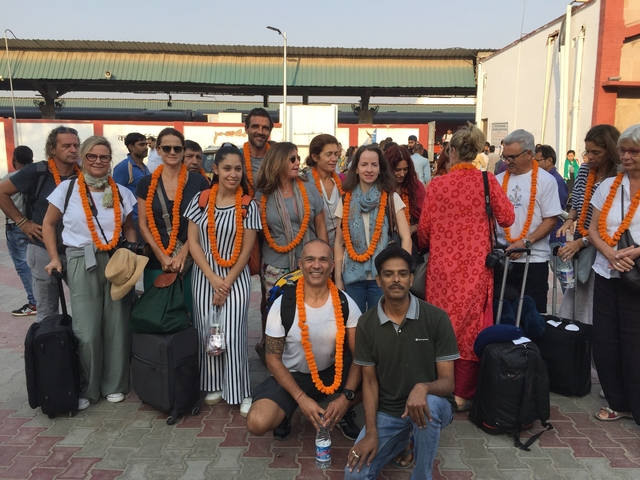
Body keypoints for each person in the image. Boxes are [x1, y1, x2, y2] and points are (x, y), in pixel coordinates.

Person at [418, 124, 514, 412]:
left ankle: (437, 386)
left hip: (441, 272)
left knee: (440, 325)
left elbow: (424, 231)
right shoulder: (487, 181)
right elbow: (507, 218)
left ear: (453, 151)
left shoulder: (437, 185)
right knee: (471, 328)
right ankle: (461, 394)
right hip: (476, 269)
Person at [42, 135, 140, 410]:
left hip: (116, 259)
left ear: (111, 161)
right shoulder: (67, 190)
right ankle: (88, 386)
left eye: (104, 157)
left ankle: (115, 384)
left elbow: (129, 227)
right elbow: (49, 225)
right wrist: (53, 258)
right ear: (83, 159)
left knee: (117, 324)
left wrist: (131, 254)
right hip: (80, 258)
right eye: (92, 156)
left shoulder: (121, 192)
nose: (98, 161)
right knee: (85, 328)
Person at [344, 246, 459, 480]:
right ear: (378, 280)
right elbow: (369, 382)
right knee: (353, 476)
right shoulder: (366, 323)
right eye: (388, 274)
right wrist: (372, 433)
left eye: (402, 273)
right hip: (388, 412)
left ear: (411, 278)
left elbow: (448, 382)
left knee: (427, 405)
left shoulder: (436, 318)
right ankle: (402, 439)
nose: (396, 279)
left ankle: (421, 475)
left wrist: (423, 387)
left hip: (434, 406)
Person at [246, 239, 363, 441]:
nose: (316, 265)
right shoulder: (283, 305)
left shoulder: (346, 303)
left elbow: (361, 356)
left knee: (380, 378)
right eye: (310, 259)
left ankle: (342, 411)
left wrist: (346, 398)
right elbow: (272, 359)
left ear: (332, 265)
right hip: (293, 374)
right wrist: (301, 398)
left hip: (333, 371)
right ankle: (289, 408)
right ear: (300, 265)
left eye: (323, 260)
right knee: (257, 422)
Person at [185, 143, 260, 415]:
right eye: (227, 168)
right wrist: (212, 277)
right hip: (204, 276)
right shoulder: (201, 200)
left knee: (233, 331)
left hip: (235, 278)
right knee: (209, 331)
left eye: (238, 169)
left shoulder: (248, 205)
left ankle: (240, 389)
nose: (233, 174)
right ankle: (214, 383)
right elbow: (193, 242)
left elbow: (247, 248)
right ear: (214, 169)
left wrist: (226, 282)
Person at [587, 123, 640, 425]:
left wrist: (637, 250)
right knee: (606, 340)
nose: (627, 156)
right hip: (606, 271)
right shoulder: (609, 185)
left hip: (636, 273)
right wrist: (608, 252)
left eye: (634, 151)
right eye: (623, 150)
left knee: (635, 343)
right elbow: (592, 229)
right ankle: (617, 401)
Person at [0, 126, 80, 323]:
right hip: (42, 248)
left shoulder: (84, 175)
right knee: (47, 310)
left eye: (76, 145)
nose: (73, 150)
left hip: (77, 250)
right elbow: (1, 192)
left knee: (84, 305)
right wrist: (23, 223)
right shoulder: (36, 171)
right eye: (66, 146)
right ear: (52, 149)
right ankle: (49, 349)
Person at [136, 128, 210, 313]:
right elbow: (143, 224)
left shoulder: (199, 182)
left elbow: (203, 222)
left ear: (183, 151)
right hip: (157, 261)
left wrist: (183, 254)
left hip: (192, 261)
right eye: (166, 148)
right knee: (157, 315)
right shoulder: (146, 183)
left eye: (177, 149)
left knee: (191, 314)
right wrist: (162, 256)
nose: (172, 153)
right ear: (158, 150)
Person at [334, 146, 412, 313]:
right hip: (352, 278)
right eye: (364, 164)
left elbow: (406, 238)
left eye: (374, 165)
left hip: (384, 277)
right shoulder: (345, 200)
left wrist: (403, 271)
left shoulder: (391, 198)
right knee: (355, 325)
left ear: (380, 169)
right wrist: (338, 278)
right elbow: (339, 243)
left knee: (382, 324)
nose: (369, 169)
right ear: (355, 169)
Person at [557, 125, 621, 325]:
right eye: (587, 151)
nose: (590, 157)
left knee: (597, 302)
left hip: (605, 245)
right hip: (583, 239)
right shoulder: (585, 169)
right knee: (577, 298)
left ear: (610, 151)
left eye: (596, 153)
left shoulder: (618, 176)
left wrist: (582, 242)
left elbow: (609, 221)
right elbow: (577, 203)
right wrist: (569, 220)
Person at [495, 129, 563, 313]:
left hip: (533, 260)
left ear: (529, 154)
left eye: (512, 157)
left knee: (532, 315)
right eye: (505, 156)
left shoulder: (546, 181)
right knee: (502, 314)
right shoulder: (497, 181)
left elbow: (551, 220)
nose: (507, 162)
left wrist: (525, 242)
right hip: (503, 258)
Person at [255, 142, 328, 295]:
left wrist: (325, 259)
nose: (297, 163)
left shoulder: (309, 188)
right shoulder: (262, 195)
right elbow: (262, 234)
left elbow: (321, 226)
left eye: (298, 158)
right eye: (292, 159)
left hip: (310, 264)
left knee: (308, 311)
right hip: (276, 266)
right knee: (277, 311)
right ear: (278, 162)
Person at [4, 146, 37, 316]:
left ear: (14, 159)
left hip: (16, 226)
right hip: (35, 225)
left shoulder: (10, 178)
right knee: (36, 264)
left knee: (23, 265)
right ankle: (40, 299)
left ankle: (34, 302)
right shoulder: (36, 176)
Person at [305, 134, 344, 248]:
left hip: (341, 247)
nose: (334, 159)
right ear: (315, 157)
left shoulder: (341, 181)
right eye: (329, 154)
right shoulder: (306, 184)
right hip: (315, 248)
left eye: (336, 154)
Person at [112, 132, 150, 237]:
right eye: (141, 145)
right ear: (131, 147)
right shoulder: (123, 167)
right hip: (133, 220)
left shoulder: (144, 168)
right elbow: (115, 195)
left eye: (146, 144)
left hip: (147, 218)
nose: (146, 148)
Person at [386, 145, 425, 243]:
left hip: (412, 242)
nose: (402, 174)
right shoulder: (381, 188)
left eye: (405, 169)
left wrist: (413, 228)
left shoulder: (416, 187)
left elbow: (425, 218)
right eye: (397, 170)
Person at [535, 144, 569, 252]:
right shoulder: (543, 178)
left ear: (549, 161)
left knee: (560, 268)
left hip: (554, 234)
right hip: (546, 233)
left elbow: (557, 208)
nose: (534, 164)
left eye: (537, 161)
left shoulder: (555, 181)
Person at [242, 108, 274, 196]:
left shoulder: (277, 160)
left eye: (265, 128)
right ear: (246, 129)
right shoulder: (236, 159)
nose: (260, 132)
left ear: (270, 131)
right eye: (255, 126)